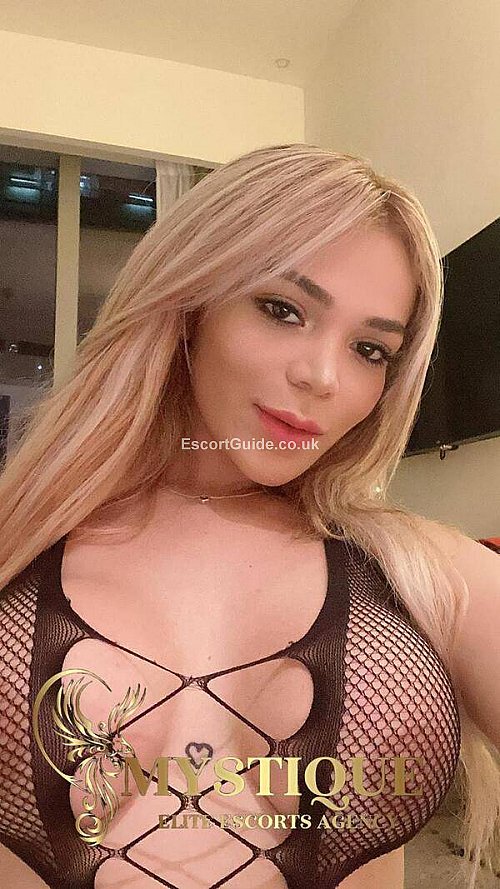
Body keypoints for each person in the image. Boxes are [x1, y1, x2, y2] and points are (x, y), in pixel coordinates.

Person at [0, 144, 499, 889]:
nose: (323, 376)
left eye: (370, 349)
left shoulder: (420, 572)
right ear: (189, 304)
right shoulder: (19, 543)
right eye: (282, 309)